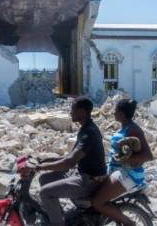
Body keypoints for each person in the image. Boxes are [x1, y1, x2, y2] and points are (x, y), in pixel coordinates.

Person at [31, 96, 107, 226]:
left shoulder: (90, 132)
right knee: (44, 179)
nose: (70, 112)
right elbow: (70, 157)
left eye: (73, 109)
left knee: (45, 193)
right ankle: (59, 216)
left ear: (82, 112)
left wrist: (40, 167)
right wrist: (42, 161)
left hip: (89, 181)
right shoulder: (85, 128)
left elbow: (70, 162)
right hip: (81, 174)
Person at [91, 99, 154, 226]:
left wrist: (125, 159)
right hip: (118, 172)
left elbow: (148, 155)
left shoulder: (134, 129)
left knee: (97, 202)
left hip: (127, 174)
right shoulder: (126, 127)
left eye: (116, 111)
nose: (113, 113)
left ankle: (130, 223)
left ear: (122, 114)